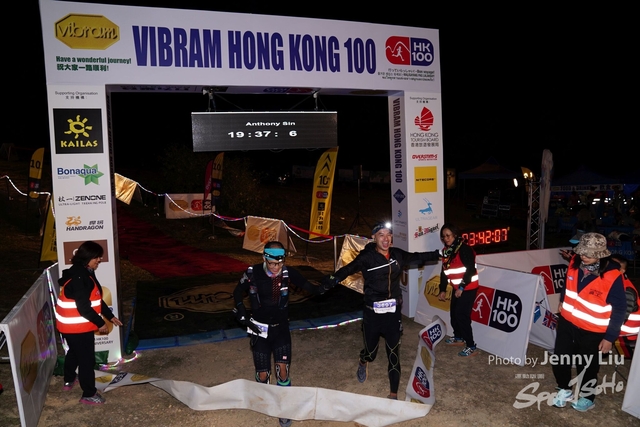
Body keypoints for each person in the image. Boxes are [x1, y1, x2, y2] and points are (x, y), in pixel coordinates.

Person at [323, 222, 441, 400]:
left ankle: (393, 395)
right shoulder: (367, 257)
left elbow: (418, 256)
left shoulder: (397, 255)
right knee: (371, 353)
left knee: (393, 353)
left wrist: (440, 253)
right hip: (372, 312)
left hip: (393, 312)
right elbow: (348, 269)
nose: (386, 239)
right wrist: (332, 279)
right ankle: (363, 361)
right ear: (374, 238)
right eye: (381, 235)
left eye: (389, 235)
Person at [232, 241, 336, 427]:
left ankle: (284, 408)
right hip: (259, 329)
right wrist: (241, 310)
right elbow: (238, 291)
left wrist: (325, 285)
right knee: (262, 375)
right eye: (272, 263)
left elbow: (313, 289)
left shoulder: (289, 273)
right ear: (264, 258)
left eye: (279, 263)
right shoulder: (253, 272)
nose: (276, 267)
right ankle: (265, 395)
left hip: (280, 328)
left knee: (283, 371)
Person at [552, 233, 627, 412]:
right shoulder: (575, 262)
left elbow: (620, 309)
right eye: (582, 252)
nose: (583, 256)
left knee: (587, 365)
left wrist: (609, 338)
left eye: (589, 254)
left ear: (600, 255)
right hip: (567, 323)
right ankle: (564, 389)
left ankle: (587, 397)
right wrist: (562, 299)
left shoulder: (612, 277)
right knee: (560, 358)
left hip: (592, 331)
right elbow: (566, 284)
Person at [55, 241, 123, 405]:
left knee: (74, 352)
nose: (99, 260)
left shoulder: (81, 271)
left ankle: (69, 379)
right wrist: (100, 323)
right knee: (86, 360)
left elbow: (95, 298)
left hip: (68, 326)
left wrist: (109, 316)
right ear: (87, 257)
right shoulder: (81, 277)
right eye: (97, 257)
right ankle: (89, 394)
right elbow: (84, 307)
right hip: (78, 327)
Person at [436, 223, 480, 357]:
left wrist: (462, 286)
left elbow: (470, 270)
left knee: (462, 315)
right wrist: (442, 289)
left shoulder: (464, 249)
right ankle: (458, 337)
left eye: (448, 235)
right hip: (456, 288)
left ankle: (471, 346)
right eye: (443, 236)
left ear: (455, 235)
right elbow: (444, 272)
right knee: (454, 314)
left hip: (468, 287)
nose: (446, 238)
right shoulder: (446, 251)